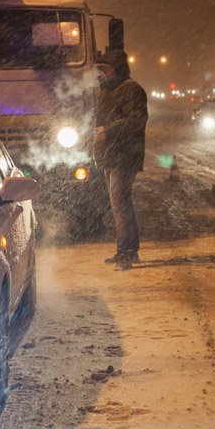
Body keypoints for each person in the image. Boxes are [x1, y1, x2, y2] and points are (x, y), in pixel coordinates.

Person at [92, 49, 148, 270]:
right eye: (101, 69)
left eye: (105, 68)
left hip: (125, 156)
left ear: (116, 69)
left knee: (121, 204)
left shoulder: (132, 90)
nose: (102, 72)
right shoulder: (107, 89)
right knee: (118, 205)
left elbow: (137, 120)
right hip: (110, 155)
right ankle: (123, 250)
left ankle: (128, 252)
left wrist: (108, 130)